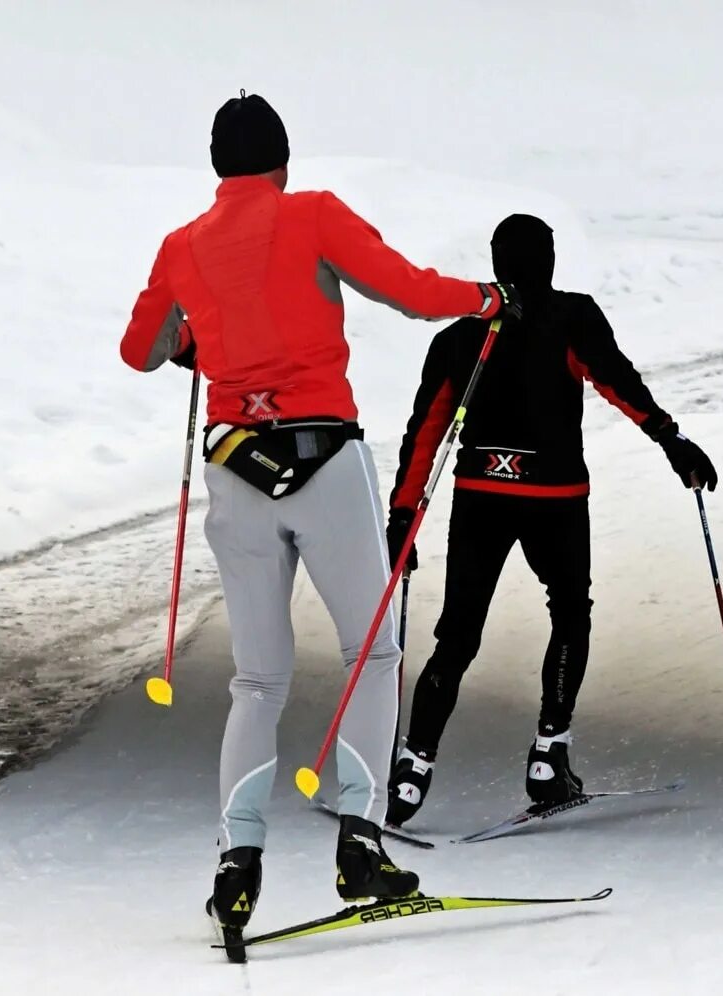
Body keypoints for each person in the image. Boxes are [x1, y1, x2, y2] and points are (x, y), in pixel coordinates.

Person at [119, 92, 518, 929]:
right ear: (283, 161)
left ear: (217, 167)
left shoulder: (181, 245)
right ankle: (360, 847)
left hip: (235, 470)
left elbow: (141, 351)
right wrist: (485, 298)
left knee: (258, 678)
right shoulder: (312, 214)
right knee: (371, 652)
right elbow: (410, 292)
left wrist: (193, 342)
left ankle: (238, 861)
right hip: (325, 461)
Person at [383, 213, 715, 826]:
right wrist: (672, 441)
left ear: (496, 262)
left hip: (480, 494)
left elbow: (424, 433)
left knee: (457, 636)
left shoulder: (458, 336)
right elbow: (618, 382)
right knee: (569, 611)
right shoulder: (571, 316)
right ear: (550, 260)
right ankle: (547, 757)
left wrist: (403, 516)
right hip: (555, 498)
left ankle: (411, 771)